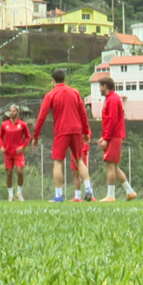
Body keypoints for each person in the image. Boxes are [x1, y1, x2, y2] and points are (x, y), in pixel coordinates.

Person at [33, 69, 94, 203]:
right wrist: (85, 131)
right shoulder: (75, 92)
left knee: (58, 162)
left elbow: (41, 117)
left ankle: (59, 195)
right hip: (76, 129)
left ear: (53, 80)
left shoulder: (51, 94)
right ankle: (89, 189)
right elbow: (83, 113)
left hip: (62, 131)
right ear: (65, 79)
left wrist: (36, 136)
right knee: (79, 160)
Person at [98, 77, 137, 202]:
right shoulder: (111, 99)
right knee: (113, 166)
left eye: (100, 86)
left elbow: (113, 120)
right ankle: (129, 191)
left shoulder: (113, 99)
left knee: (110, 164)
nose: (99, 89)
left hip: (114, 136)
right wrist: (104, 136)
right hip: (113, 135)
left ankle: (111, 195)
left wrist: (107, 138)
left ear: (105, 86)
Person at [0, 106, 29, 202]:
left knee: (20, 172)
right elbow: (0, 137)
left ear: (17, 112)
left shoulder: (22, 124)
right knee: (9, 173)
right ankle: (10, 195)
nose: (11, 112)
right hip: (8, 153)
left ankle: (19, 192)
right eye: (10, 111)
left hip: (18, 152)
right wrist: (1, 147)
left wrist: (23, 147)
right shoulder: (4, 125)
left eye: (14, 111)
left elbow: (28, 137)